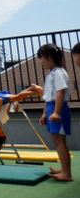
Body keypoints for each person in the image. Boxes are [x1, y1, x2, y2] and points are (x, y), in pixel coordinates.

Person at [33, 43, 72, 181]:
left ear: (49, 57)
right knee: (57, 141)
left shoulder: (59, 73)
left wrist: (56, 112)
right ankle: (64, 169)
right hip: (52, 107)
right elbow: (48, 96)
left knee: (60, 141)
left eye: (41, 58)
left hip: (58, 108)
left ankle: (67, 174)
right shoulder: (52, 74)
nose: (41, 61)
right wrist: (45, 113)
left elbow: (61, 92)